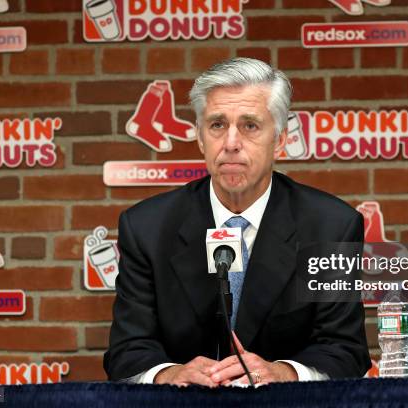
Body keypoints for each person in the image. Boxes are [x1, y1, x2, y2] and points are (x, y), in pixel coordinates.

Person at [104, 58, 370, 386]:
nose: (231, 143)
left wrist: (282, 373)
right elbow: (127, 351)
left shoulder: (330, 226)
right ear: (201, 138)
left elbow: (344, 349)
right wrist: (172, 374)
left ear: (281, 140)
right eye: (217, 125)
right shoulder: (147, 228)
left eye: (250, 125)